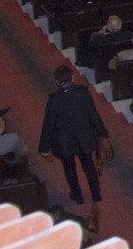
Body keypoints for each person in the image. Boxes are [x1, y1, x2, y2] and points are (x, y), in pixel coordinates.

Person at [37, 63, 109, 212]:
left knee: (69, 168)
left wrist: (43, 148)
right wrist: (103, 133)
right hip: (84, 138)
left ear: (56, 81)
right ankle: (96, 195)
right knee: (89, 166)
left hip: (64, 143)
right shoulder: (83, 93)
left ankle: (77, 196)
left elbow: (48, 126)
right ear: (73, 77)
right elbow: (94, 115)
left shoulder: (54, 101)